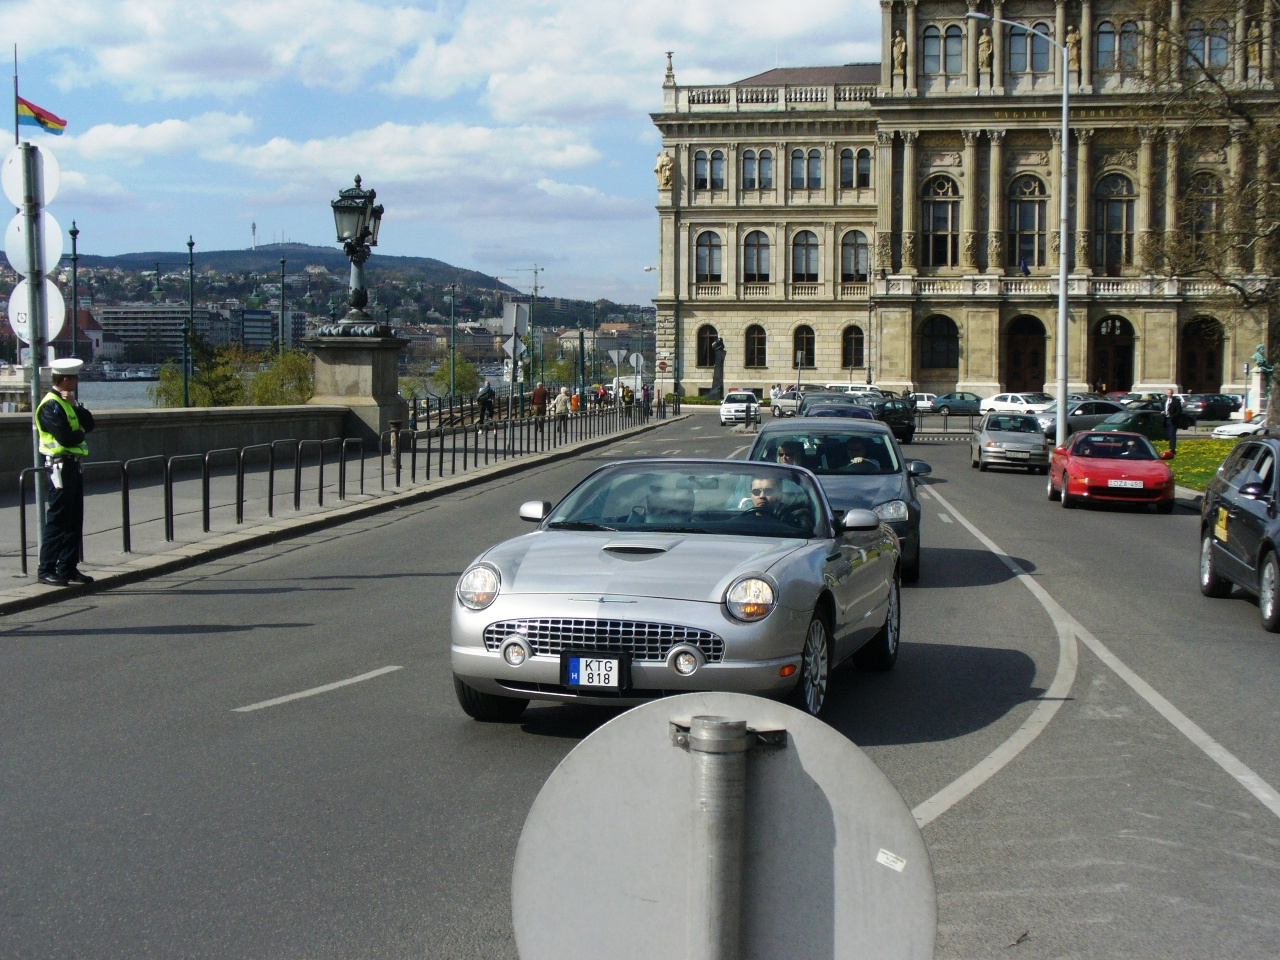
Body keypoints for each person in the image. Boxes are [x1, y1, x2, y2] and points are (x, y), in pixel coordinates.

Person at [36, 358, 96, 587]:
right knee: (58, 519)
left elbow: (90, 424)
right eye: (75, 378)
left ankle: (68, 567)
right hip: (59, 466)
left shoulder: (68, 402)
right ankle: (46, 569)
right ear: (66, 379)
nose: (77, 381)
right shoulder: (50, 405)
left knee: (73, 518)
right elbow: (67, 437)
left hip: (72, 464)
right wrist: (80, 431)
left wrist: (77, 406)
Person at [1163, 388, 1182, 455]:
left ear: (1172, 393)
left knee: (1172, 434)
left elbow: (1179, 411)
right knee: (1168, 435)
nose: (1170, 394)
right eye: (1168, 393)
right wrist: (1164, 412)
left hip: (1173, 420)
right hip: (1166, 419)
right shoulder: (1166, 401)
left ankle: (1173, 449)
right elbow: (1165, 409)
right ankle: (1170, 448)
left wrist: (1173, 416)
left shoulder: (1176, 401)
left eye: (1171, 393)